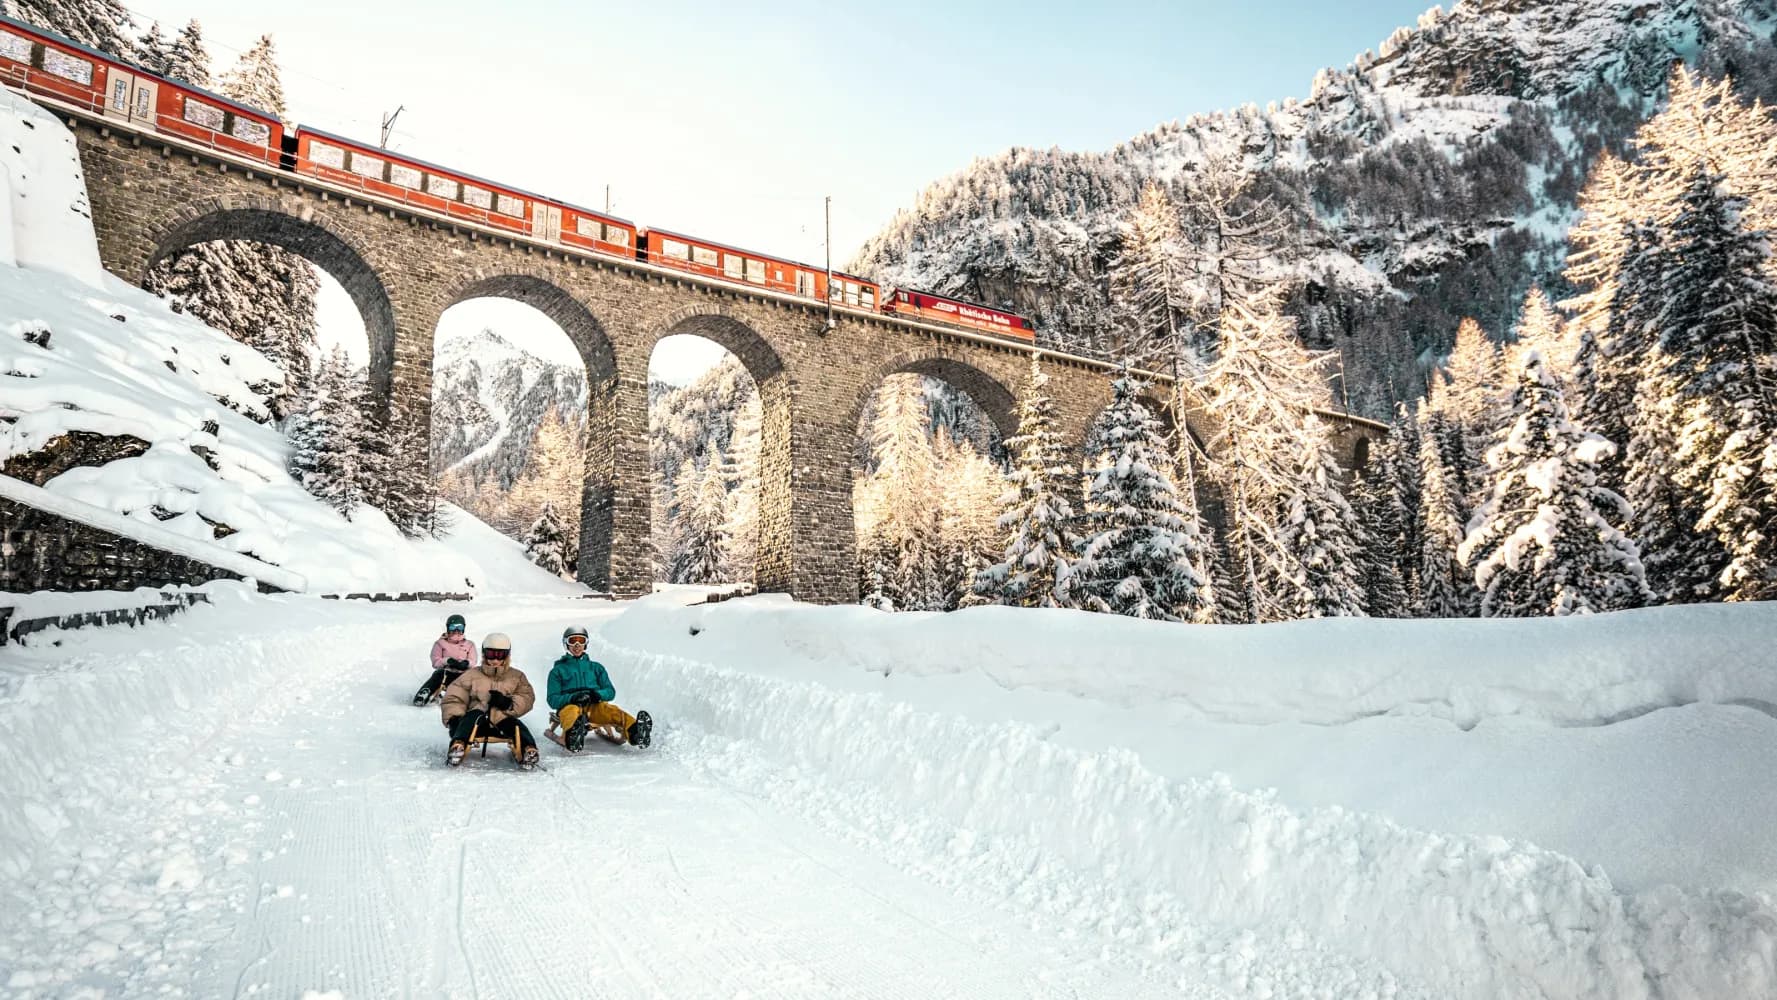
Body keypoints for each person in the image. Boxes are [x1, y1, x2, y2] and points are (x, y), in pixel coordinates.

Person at [544, 625, 651, 752]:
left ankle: (636, 733)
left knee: (611, 710)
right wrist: (572, 697)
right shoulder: (557, 671)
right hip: (570, 706)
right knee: (571, 713)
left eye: (581, 640)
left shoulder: (596, 668)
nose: (577, 645)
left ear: (586, 643)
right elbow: (552, 699)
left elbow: (610, 691)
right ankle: (573, 737)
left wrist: (598, 694)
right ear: (566, 644)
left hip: (593, 706)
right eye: (572, 641)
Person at [440, 632, 539, 768]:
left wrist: (508, 703)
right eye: (491, 654)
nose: (495, 660)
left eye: (500, 655)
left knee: (516, 726)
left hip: (502, 720)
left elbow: (527, 696)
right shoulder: (472, 675)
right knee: (471, 717)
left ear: (507, 655)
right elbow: (454, 696)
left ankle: (528, 749)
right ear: (484, 654)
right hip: (476, 722)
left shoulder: (516, 676)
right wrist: (454, 719)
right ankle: (458, 745)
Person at [413, 613, 478, 706]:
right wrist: (447, 661)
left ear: (463, 628)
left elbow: (473, 660)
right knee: (437, 675)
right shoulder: (440, 643)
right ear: (447, 628)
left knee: (470, 680)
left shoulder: (469, 644)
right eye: (452, 627)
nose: (456, 631)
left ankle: (462, 697)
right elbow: (435, 661)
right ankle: (424, 694)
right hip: (446, 671)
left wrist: (466, 663)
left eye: (459, 627)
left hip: (463, 673)